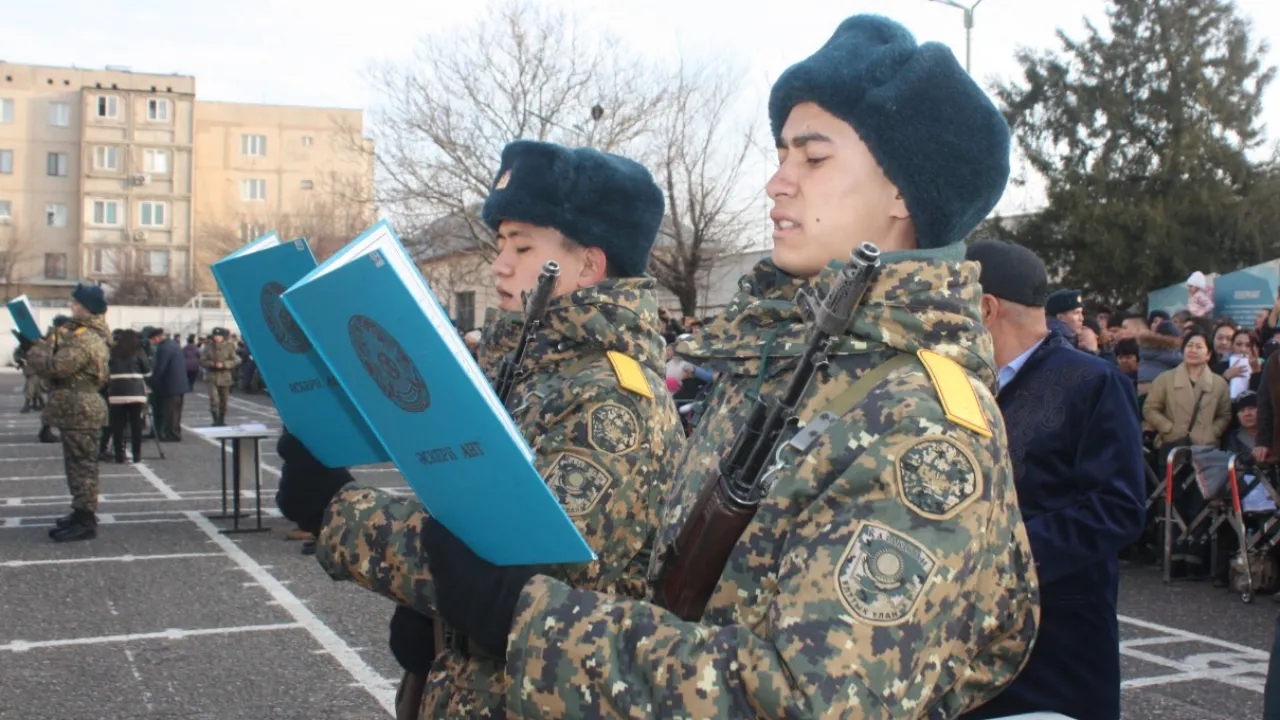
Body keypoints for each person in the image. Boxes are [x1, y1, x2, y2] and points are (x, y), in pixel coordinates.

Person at [402, 14, 1039, 717]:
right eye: (780, 154)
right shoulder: (778, 366)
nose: (777, 182)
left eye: (812, 158)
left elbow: (805, 701)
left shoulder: (923, 421)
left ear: (902, 192)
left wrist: (521, 619)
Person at [276, 139, 685, 718]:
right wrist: (434, 617)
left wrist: (337, 512)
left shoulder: (609, 399)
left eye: (522, 247)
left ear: (589, 265)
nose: (500, 264)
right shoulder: (534, 370)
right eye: (500, 245)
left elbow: (527, 576)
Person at [962, 240, 1145, 720]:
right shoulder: (963, 385)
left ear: (985, 308)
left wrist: (1001, 557)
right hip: (968, 641)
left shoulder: (1091, 382)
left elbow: (1117, 508)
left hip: (1058, 641)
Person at [27, 284, 110, 542]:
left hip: (81, 408)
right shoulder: (81, 334)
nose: (71, 306)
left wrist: (35, 347)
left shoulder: (86, 338)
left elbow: (56, 367)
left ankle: (85, 520)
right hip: (76, 408)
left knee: (82, 467)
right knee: (77, 465)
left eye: (74, 303)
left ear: (85, 308)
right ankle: (80, 512)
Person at [106, 329, 151, 463]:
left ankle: (119, 454)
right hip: (135, 392)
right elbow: (147, 371)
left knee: (118, 425)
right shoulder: (138, 351)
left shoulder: (112, 351)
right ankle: (137, 454)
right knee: (136, 424)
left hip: (116, 392)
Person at [145, 328, 189, 441]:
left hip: (170, 384)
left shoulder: (164, 348)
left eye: (152, 340)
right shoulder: (173, 344)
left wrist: (150, 382)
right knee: (175, 410)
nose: (151, 342)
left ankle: (173, 434)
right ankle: (172, 431)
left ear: (157, 338)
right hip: (179, 383)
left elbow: (160, 368)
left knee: (171, 411)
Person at [200, 327, 239, 426]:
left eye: (219, 336)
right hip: (212, 376)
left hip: (225, 376)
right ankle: (215, 419)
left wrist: (225, 364)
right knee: (214, 399)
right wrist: (212, 364)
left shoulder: (230, 346)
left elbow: (235, 360)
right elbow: (202, 360)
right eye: (215, 336)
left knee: (224, 400)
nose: (217, 338)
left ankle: (222, 419)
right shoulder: (208, 346)